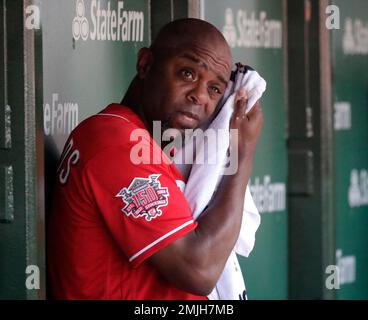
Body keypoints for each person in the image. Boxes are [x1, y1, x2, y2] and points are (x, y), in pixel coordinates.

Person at [47, 18, 263, 300]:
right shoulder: (116, 142)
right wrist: (242, 153)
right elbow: (199, 271)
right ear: (146, 64)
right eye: (187, 73)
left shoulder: (147, 143)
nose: (200, 95)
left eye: (215, 89)